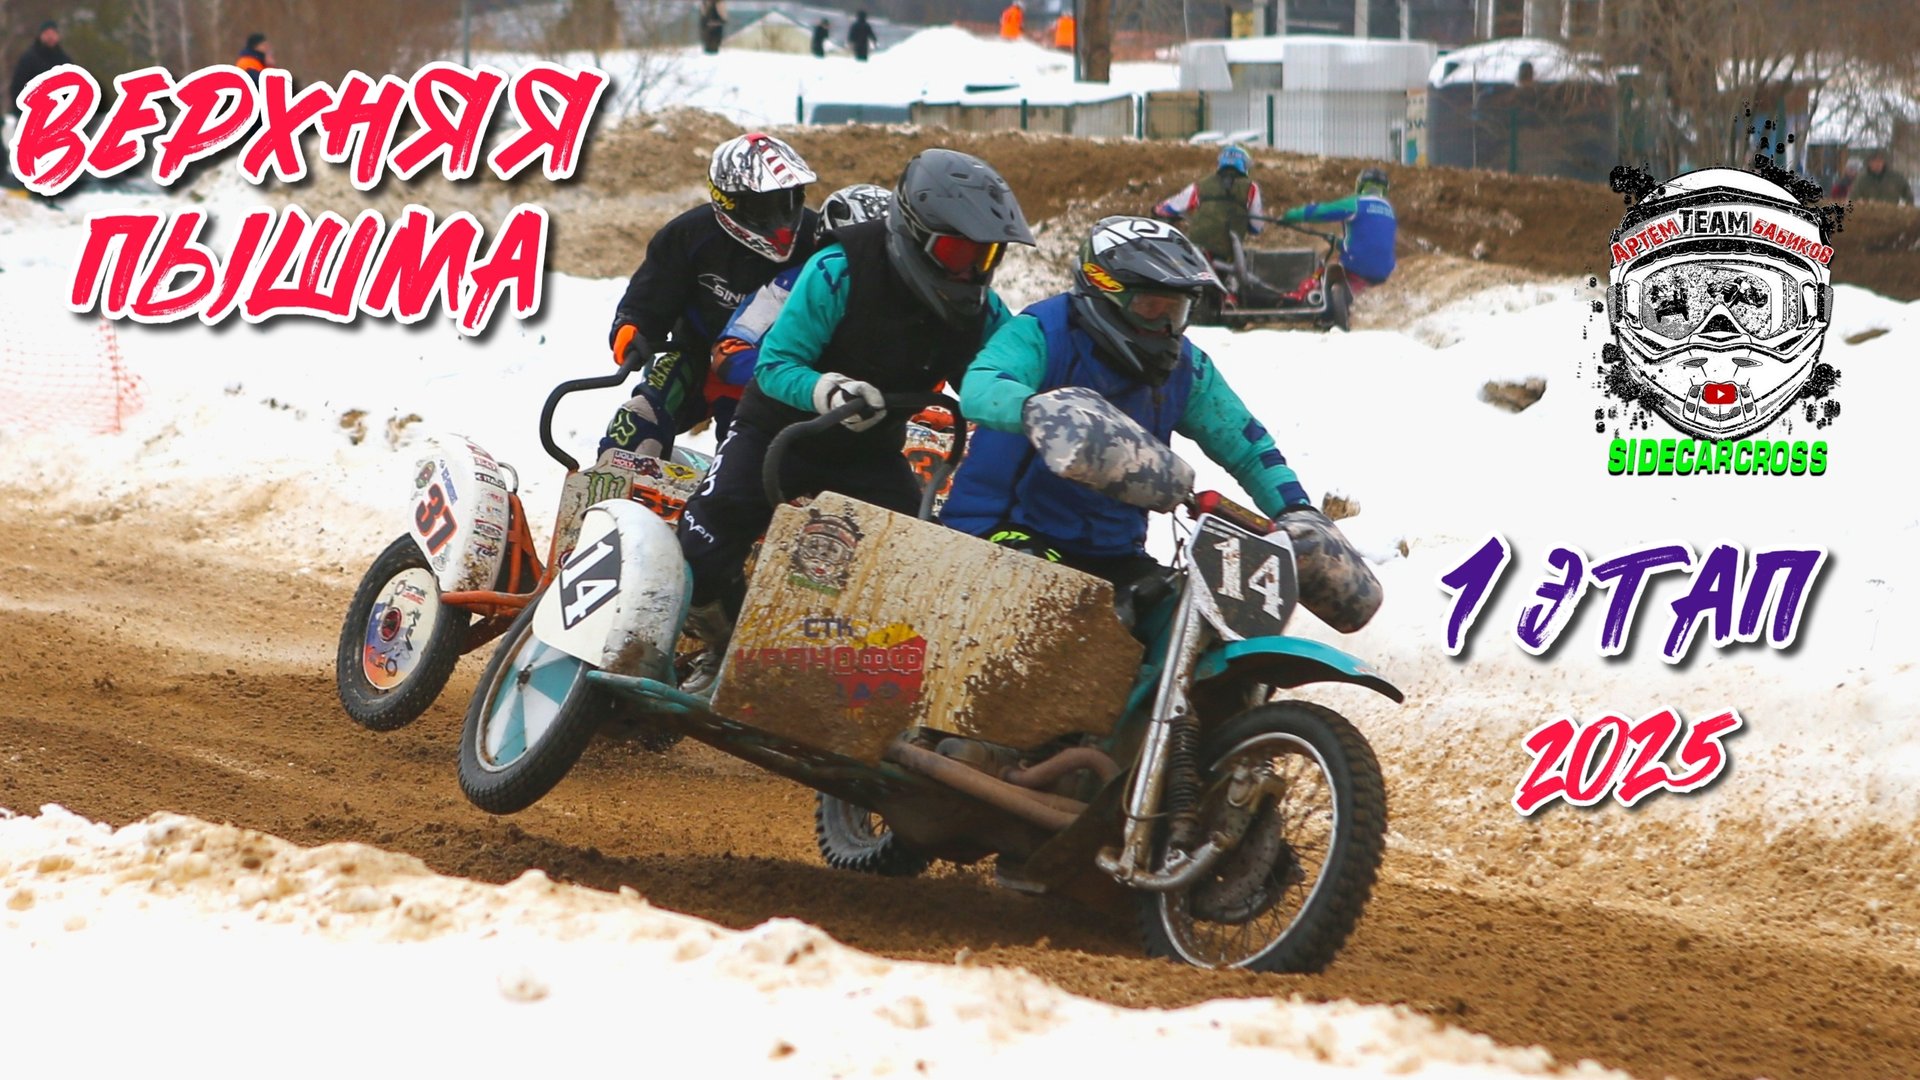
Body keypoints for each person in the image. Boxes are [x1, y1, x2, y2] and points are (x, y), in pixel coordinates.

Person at [674, 149, 1036, 690]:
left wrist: (1038, 409)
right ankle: (721, 649)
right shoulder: (836, 270)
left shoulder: (982, 310)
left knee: (914, 572)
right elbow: (773, 366)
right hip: (779, 432)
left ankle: (851, 684)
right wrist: (827, 389)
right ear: (915, 233)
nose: (970, 270)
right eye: (957, 251)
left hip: (870, 454)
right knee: (699, 551)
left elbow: (998, 379)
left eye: (985, 256)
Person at [940, 215, 1313, 593]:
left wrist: (1298, 511)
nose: (1165, 326)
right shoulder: (1042, 331)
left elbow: (1249, 449)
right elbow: (981, 385)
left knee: (1179, 608)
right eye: (1151, 307)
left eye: (1176, 312)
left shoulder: (1187, 368)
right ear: (1105, 294)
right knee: (1057, 599)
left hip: (1113, 554)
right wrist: (1040, 411)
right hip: (998, 531)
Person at [601, 133, 819, 460]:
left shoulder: (818, 240)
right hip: (693, 355)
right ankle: (613, 488)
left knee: (750, 455)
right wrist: (631, 327)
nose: (781, 221)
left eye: (789, 201)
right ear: (728, 201)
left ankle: (732, 486)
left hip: (772, 370)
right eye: (765, 206)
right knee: (636, 422)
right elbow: (651, 294)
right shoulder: (688, 235)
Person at [706, 184, 895, 428]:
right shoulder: (787, 287)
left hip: (878, 417)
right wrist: (803, 380)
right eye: (869, 247)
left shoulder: (913, 291)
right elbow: (728, 353)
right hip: (780, 414)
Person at [1275, 166, 1397, 299]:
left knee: (1322, 272)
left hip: (1357, 268)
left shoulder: (1357, 203)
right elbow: (1371, 241)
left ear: (1360, 185)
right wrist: (1339, 243)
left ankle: (1299, 296)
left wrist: (1289, 216)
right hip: (1384, 274)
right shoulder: (1389, 210)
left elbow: (1320, 212)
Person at [1153, 144, 1265, 266]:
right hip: (1227, 255)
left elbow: (1170, 207)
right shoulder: (1251, 188)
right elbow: (1256, 227)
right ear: (1245, 166)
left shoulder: (1202, 185)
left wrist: (1156, 209)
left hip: (1196, 251)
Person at [9, 20, 71, 117]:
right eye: (47, 33)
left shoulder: (64, 60)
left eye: (53, 33)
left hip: (60, 114)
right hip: (34, 113)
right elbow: (17, 86)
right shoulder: (29, 59)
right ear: (41, 35)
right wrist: (22, 112)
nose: (50, 37)